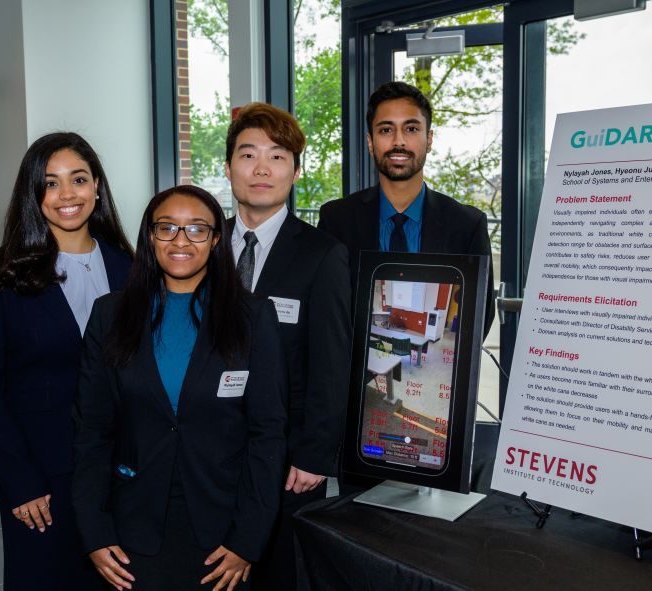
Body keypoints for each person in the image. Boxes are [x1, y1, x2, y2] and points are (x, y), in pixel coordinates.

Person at [72, 185, 287, 591]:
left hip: (222, 529)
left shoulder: (252, 316)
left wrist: (248, 539)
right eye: (167, 228)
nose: (181, 241)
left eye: (196, 230)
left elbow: (268, 435)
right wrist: (95, 532)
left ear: (216, 239)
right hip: (132, 526)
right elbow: (91, 432)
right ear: (150, 237)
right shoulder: (109, 315)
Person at [0, 132, 134, 590]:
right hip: (39, 475)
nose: (67, 195)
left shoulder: (130, 268)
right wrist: (18, 480)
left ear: (97, 185)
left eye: (78, 179)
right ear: (33, 193)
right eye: (51, 183)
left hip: (119, 472)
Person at [223, 102, 351, 590]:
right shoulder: (203, 247)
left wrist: (315, 453)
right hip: (207, 448)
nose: (261, 168)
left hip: (286, 458)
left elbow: (331, 363)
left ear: (296, 171)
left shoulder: (322, 255)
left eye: (277, 157)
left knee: (277, 574)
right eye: (247, 154)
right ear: (229, 165)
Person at [318, 81, 495, 334]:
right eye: (386, 130)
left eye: (411, 129)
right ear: (370, 142)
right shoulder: (336, 220)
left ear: (429, 139)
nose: (399, 141)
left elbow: (478, 319)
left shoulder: (467, 225)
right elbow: (326, 314)